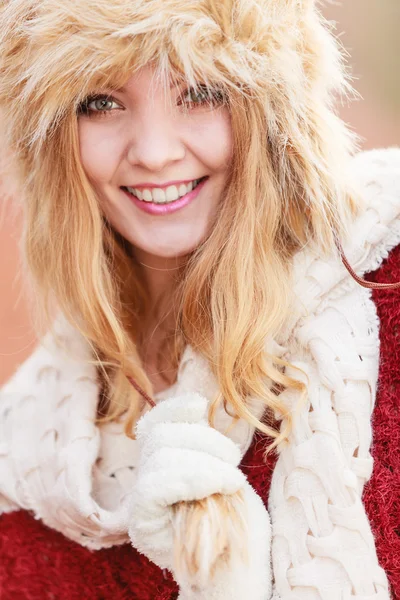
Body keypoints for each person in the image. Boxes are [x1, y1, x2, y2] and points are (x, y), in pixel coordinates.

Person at [0, 0, 399, 598]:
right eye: (100, 103)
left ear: (274, 109)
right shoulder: (27, 463)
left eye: (203, 92)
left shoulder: (383, 284)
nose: (155, 152)